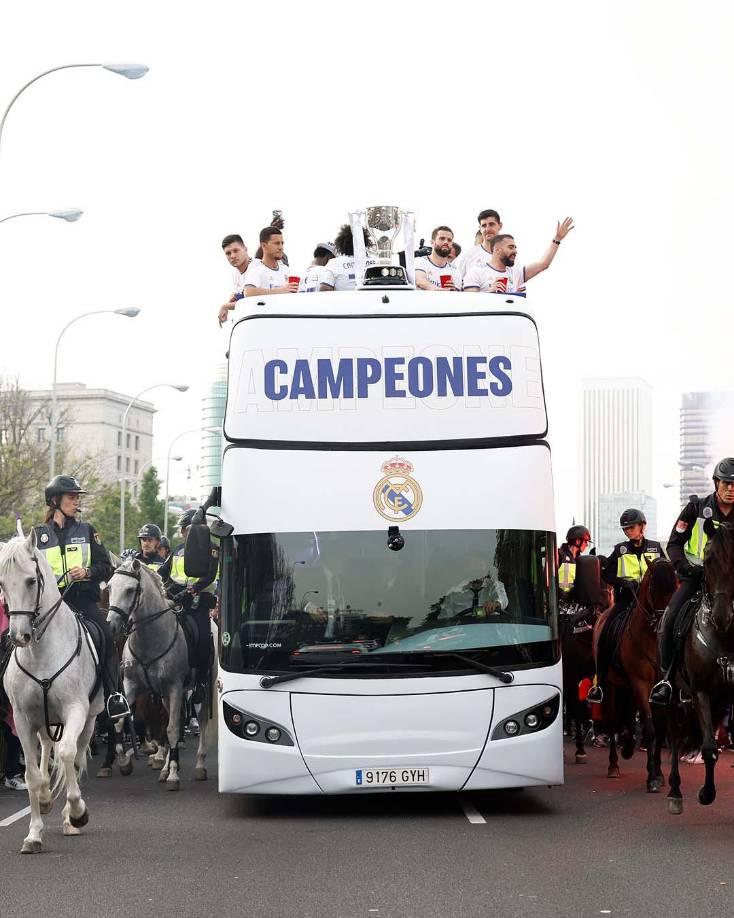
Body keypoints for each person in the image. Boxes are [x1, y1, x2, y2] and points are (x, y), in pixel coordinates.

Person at [34, 475, 129, 720]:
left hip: (82, 600)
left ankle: (113, 696)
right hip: (50, 605)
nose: (77, 502)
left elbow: (105, 567)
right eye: (72, 497)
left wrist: (87, 572)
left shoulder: (87, 530)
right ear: (55, 501)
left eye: (78, 498)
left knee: (107, 635)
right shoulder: (38, 535)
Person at [650, 458, 734, 705]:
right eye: (726, 483)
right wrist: (685, 568)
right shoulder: (695, 509)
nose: (731, 489)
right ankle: (665, 680)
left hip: (729, 585)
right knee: (669, 618)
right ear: (716, 483)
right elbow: (674, 544)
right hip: (695, 579)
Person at [586, 508, 664, 704]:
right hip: (626, 601)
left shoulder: (655, 548)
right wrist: (623, 582)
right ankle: (601, 684)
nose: (628, 532)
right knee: (604, 633)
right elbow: (606, 574)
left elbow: (665, 574)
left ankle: (672, 682)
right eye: (625, 529)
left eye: (631, 527)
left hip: (652, 604)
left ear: (642, 526)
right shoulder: (621, 549)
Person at [158, 509, 217, 696]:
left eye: (185, 529)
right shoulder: (177, 549)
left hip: (197, 603)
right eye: (182, 530)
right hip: (174, 601)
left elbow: (209, 576)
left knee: (203, 640)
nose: (182, 533)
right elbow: (162, 572)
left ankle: (200, 682)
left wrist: (190, 591)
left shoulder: (212, 549)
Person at [463, 219, 574, 294]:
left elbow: (543, 264)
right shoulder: (476, 272)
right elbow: (469, 305)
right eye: (511, 247)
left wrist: (557, 239)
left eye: (515, 248)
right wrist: (490, 293)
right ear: (497, 250)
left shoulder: (515, 273)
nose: (515, 251)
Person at [319, 224, 376, 291]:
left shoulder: (334, 264)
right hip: (372, 300)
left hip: (344, 301)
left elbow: (325, 288)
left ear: (341, 244)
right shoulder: (376, 262)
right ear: (365, 242)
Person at [243, 227, 296, 297]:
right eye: (276, 243)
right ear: (263, 245)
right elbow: (248, 292)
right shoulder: (256, 271)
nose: (281, 247)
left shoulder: (286, 270)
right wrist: (280, 291)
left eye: (282, 243)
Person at [458, 208, 503, 279]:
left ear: (500, 226)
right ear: (480, 228)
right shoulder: (468, 254)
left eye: (491, 224)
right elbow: (455, 283)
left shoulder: (509, 255)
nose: (487, 229)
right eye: (484, 226)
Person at [218, 234, 251, 326]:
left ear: (245, 249)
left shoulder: (257, 267)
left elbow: (253, 301)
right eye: (228, 253)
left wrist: (225, 306)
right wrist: (233, 300)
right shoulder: (236, 273)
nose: (232, 256)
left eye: (236, 250)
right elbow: (243, 300)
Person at [414, 226, 462, 291]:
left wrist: (454, 290)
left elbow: (457, 297)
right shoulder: (420, 261)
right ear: (432, 242)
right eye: (442, 238)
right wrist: (438, 290)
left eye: (449, 240)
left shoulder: (455, 271)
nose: (446, 242)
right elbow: (419, 280)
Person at [557, 525, 593, 611]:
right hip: (559, 605)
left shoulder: (579, 561)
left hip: (573, 604)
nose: (586, 545)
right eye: (585, 542)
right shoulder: (559, 555)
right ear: (577, 541)